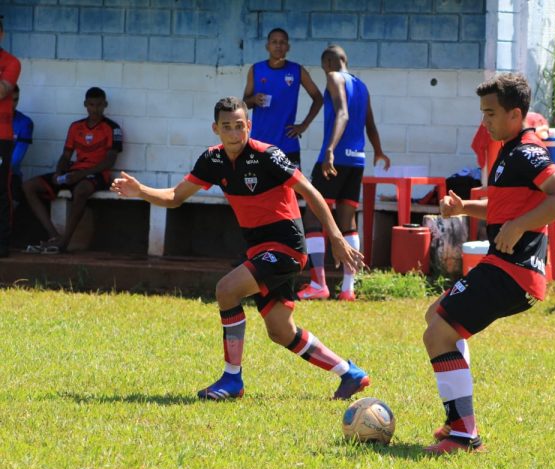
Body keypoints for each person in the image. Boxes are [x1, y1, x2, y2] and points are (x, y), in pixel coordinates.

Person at [111, 97, 371, 401]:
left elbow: (310, 192)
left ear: (248, 125)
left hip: (286, 245)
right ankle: (349, 373)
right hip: (260, 249)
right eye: (227, 127)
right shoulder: (213, 160)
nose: (235, 133)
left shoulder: (268, 155)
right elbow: (175, 196)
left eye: (240, 126)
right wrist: (140, 191)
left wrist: (337, 238)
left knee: (226, 290)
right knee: (280, 330)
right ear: (216, 129)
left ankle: (232, 379)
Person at [422, 73, 555, 454]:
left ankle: (463, 434)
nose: (484, 122)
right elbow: (505, 205)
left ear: (515, 114)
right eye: (482, 113)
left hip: (513, 270)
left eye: (491, 113)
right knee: (437, 320)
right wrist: (464, 207)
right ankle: (458, 420)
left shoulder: (527, 151)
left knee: (438, 332)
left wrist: (520, 225)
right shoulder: (510, 150)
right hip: (504, 267)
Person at [298, 45, 390, 302]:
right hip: (357, 161)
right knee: (347, 220)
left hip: (334, 159)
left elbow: (343, 113)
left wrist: (329, 148)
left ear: (328, 62)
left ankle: (318, 283)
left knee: (314, 216)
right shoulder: (362, 85)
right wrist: (379, 151)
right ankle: (348, 288)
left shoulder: (334, 77)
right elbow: (369, 124)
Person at [23, 86, 122, 254]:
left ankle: (64, 242)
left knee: (81, 190)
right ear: (85, 104)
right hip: (74, 172)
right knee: (29, 186)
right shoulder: (76, 127)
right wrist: (59, 172)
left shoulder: (113, 128)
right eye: (91, 105)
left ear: (105, 104)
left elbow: (110, 161)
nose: (95, 109)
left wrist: (82, 174)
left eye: (99, 105)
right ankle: (54, 236)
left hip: (96, 174)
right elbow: (66, 155)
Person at [242, 27, 323, 166]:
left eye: (282, 42)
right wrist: (254, 100)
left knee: (293, 188)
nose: (278, 45)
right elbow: (244, 104)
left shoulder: (297, 70)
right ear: (268, 46)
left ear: (288, 47)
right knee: (258, 187)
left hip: (287, 144)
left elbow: (318, 98)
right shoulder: (256, 70)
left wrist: (304, 125)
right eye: (274, 42)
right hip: (259, 144)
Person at [0, 18, 21, 258]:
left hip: (1, 138)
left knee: (0, 190)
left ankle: (2, 242)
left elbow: (3, 91)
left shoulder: (11, 62)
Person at [11, 85, 34, 207]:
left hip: (10, 177)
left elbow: (15, 161)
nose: (12, 104)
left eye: (16, 100)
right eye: (8, 99)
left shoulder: (25, 122)